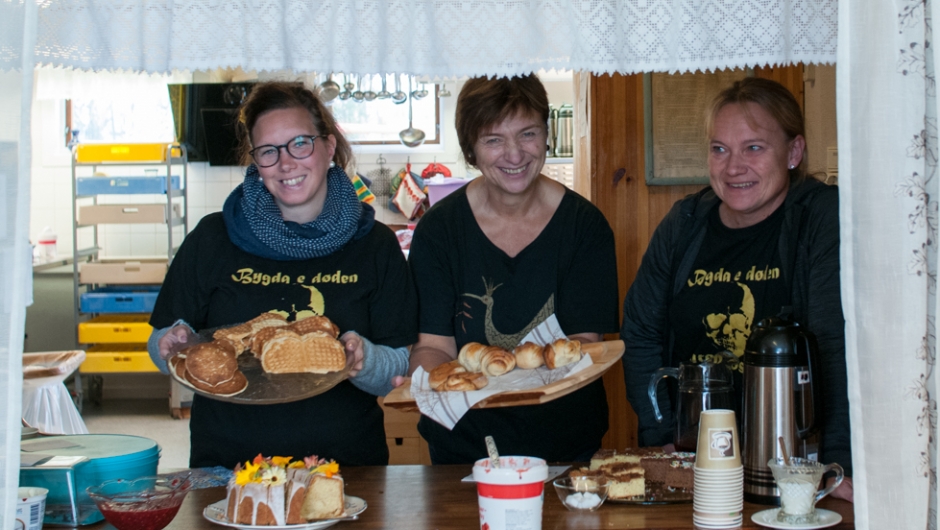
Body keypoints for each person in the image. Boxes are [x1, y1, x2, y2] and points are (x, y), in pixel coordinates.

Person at [147, 81, 417, 468]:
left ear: (328, 147)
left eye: (300, 143)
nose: (286, 163)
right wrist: (170, 346)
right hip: (227, 468)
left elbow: (398, 365)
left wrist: (363, 359)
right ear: (256, 161)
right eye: (269, 151)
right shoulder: (212, 237)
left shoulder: (374, 244)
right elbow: (161, 342)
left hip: (345, 466)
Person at [621, 77, 853, 500]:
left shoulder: (819, 217)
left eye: (754, 148)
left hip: (792, 469)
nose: (733, 167)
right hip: (695, 463)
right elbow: (640, 333)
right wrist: (661, 437)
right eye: (720, 149)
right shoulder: (684, 223)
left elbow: (832, 344)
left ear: (794, 152)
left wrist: (836, 464)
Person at [408, 74, 619, 464]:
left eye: (527, 134)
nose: (515, 154)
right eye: (493, 140)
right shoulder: (439, 231)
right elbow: (433, 347)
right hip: (463, 450)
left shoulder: (584, 227)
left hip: (565, 448)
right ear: (471, 149)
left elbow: (581, 343)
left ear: (546, 135)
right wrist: (425, 384)